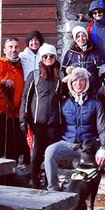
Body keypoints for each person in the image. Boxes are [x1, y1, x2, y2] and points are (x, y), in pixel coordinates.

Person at [43, 67, 105, 191]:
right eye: (75, 81)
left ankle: (74, 190)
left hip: (87, 146)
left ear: (86, 82)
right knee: (50, 151)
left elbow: (103, 128)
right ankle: (53, 189)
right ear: (70, 83)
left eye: (81, 80)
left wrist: (103, 148)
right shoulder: (64, 103)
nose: (78, 83)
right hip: (68, 143)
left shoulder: (96, 104)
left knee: (79, 175)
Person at [20, 44, 67, 189]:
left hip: (54, 122)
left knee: (50, 154)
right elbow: (26, 98)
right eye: (45, 56)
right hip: (37, 122)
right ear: (41, 58)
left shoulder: (60, 75)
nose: (48, 59)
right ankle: (34, 182)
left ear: (55, 58)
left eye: (51, 56)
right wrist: (23, 117)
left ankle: (49, 182)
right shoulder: (34, 75)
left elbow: (65, 96)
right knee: (36, 154)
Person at [0, 38, 26, 172]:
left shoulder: (21, 65)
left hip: (17, 112)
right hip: (2, 111)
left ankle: (11, 175)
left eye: (16, 47)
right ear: (4, 50)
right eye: (10, 47)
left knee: (14, 146)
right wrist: (2, 82)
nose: (13, 50)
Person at [62, 25, 104, 94]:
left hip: (92, 89)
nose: (81, 38)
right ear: (75, 39)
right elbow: (64, 71)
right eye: (78, 36)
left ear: (87, 37)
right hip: (75, 90)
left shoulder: (94, 52)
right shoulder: (70, 53)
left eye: (83, 36)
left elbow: (100, 72)